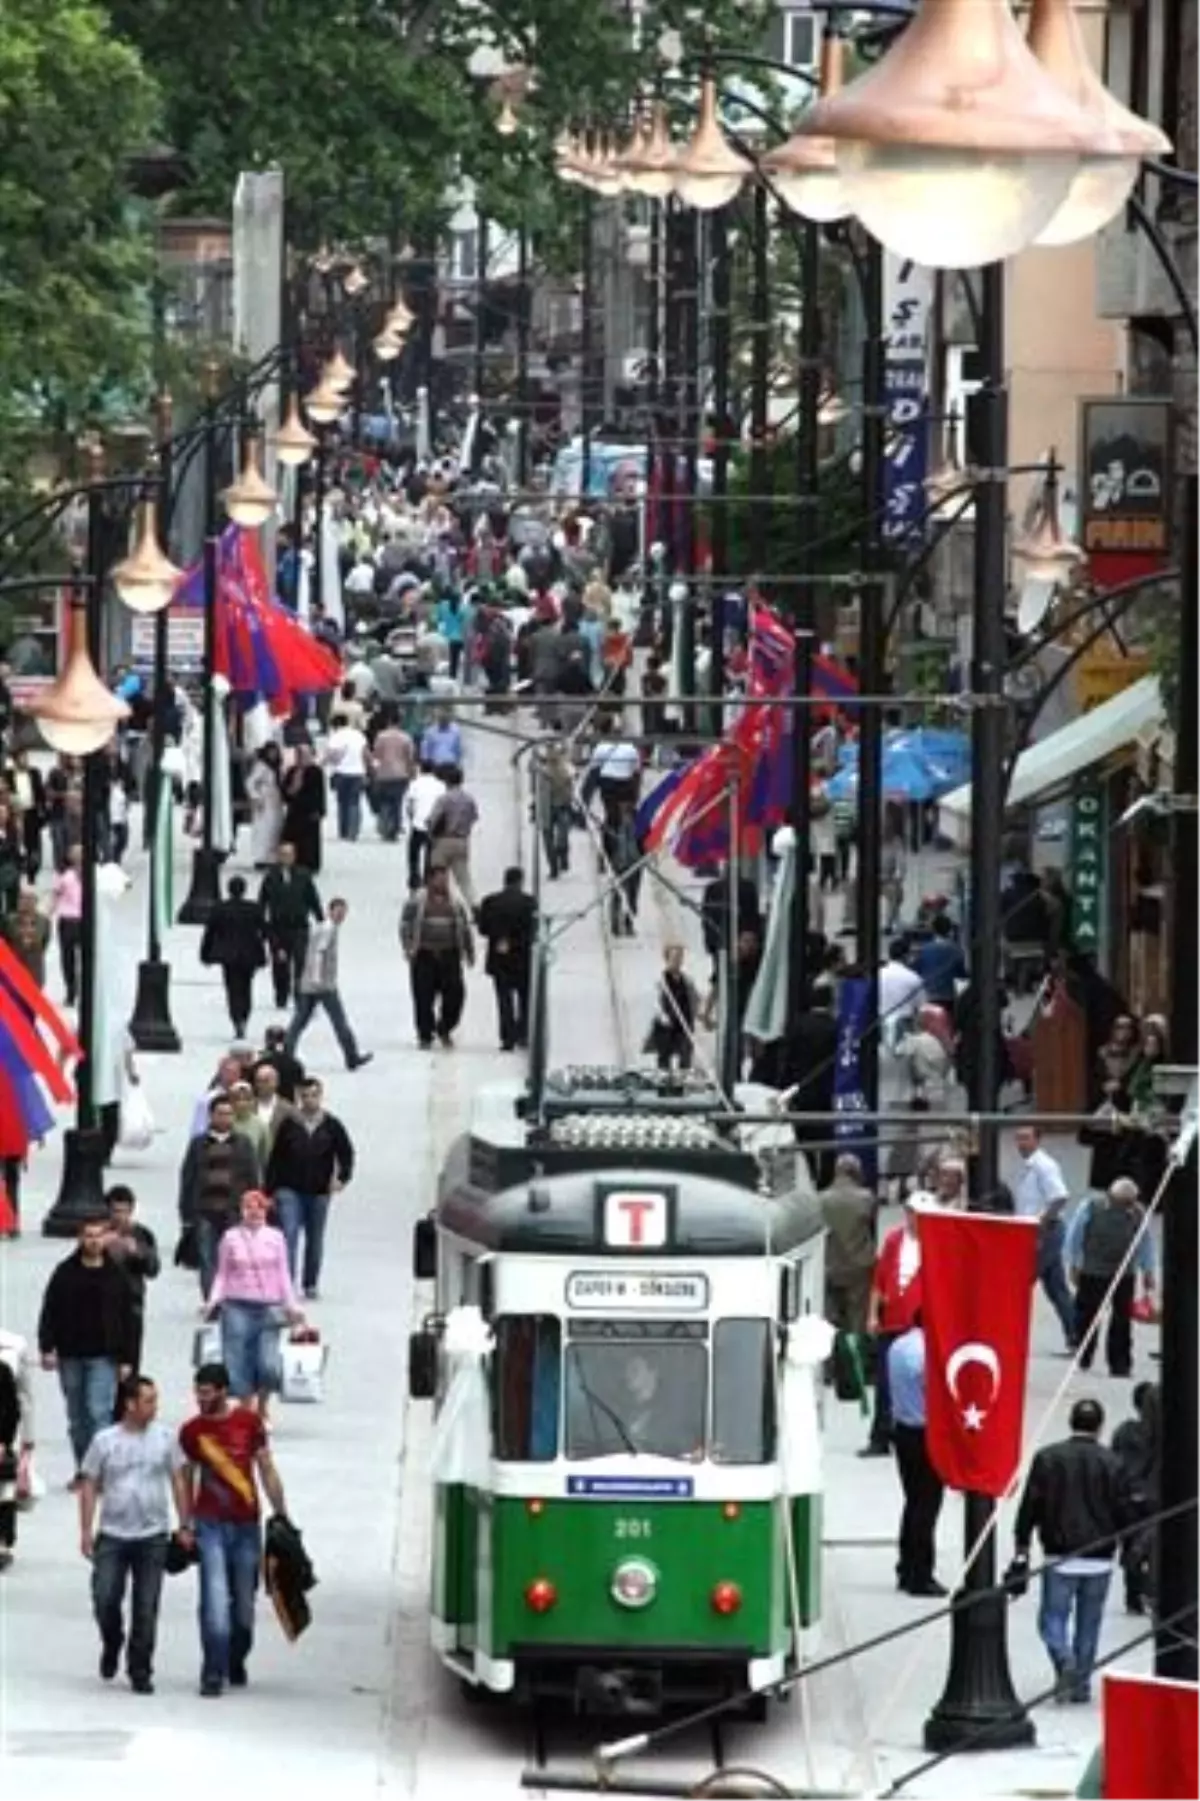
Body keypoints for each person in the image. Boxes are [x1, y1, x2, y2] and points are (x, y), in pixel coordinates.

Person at [1011, 1397, 1134, 1703]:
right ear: (1100, 1426)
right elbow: (1123, 1510)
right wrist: (1128, 1545)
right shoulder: (1113, 1462)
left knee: (1051, 1618)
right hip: (1100, 1556)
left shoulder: (1047, 1458)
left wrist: (1022, 1544)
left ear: (1071, 1422)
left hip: (1059, 1552)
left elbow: (1030, 1506)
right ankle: (1080, 1684)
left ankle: (1063, 1657)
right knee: (1089, 1624)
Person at [179, 1361, 289, 1697]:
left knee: (244, 1605)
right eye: (198, 1392)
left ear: (223, 1391)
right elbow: (186, 1477)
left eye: (207, 1393)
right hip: (209, 1524)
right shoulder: (192, 1432)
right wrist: (185, 1523)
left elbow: (266, 1467)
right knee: (214, 1598)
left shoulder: (249, 1423)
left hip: (246, 1525)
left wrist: (281, 1513)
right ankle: (212, 1669)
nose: (201, 1399)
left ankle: (236, 1656)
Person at [78, 1374, 192, 1694]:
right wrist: (86, 1529)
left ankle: (140, 1668)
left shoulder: (166, 1438)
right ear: (129, 1404)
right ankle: (112, 1639)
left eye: (155, 1400)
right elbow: (89, 1483)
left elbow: (179, 1479)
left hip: (152, 1535)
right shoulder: (105, 1441)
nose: (155, 1406)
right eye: (148, 1400)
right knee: (105, 1597)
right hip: (113, 1534)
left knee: (146, 1605)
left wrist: (185, 1524)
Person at [38, 1219, 138, 1483]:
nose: (93, 1241)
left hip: (104, 1354)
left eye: (98, 1236)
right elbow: (50, 1310)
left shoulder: (115, 1275)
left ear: (105, 1238)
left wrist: (127, 1358)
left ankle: (99, 1472)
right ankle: (83, 1468)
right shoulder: (65, 1273)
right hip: (70, 1353)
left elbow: (127, 1318)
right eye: (88, 1236)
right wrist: (47, 1347)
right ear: (80, 1239)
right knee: (76, 1416)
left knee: (98, 1412)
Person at [205, 1190, 302, 1419]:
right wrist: (213, 1300)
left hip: (269, 1306)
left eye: (259, 1207)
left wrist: (293, 1305)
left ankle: (263, 1403)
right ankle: (246, 1405)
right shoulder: (230, 1238)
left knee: (267, 1363)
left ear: (266, 1211)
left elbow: (284, 1274)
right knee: (237, 1359)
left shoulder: (276, 1237)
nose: (254, 1212)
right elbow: (222, 1273)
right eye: (248, 1207)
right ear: (241, 1211)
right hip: (237, 1304)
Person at [265, 1077, 355, 1299]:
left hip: (319, 1190)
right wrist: (270, 1190)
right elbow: (275, 1158)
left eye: (314, 1095)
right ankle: (286, 1284)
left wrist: (342, 1178)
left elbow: (346, 1153)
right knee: (289, 1235)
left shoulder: (332, 1125)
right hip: (289, 1189)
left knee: (315, 1239)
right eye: (304, 1096)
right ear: (299, 1097)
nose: (309, 1100)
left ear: (321, 1096)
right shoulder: (289, 1124)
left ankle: (310, 1282)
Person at [1066, 1176, 1156, 1378]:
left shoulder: (1138, 1212)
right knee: (1087, 1315)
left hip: (1124, 1272)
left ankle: (1120, 1364)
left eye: (1131, 1202)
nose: (1128, 1207)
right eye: (1124, 1203)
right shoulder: (1091, 1207)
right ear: (1113, 1198)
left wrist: (1148, 1270)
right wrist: (1075, 1263)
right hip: (1093, 1271)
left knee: (1122, 1319)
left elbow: (1145, 1242)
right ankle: (1083, 1355)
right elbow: (1075, 1236)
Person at [178, 1095, 262, 1300]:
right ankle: (212, 1301)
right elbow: (187, 1177)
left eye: (229, 1114)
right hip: (204, 1210)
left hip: (233, 1211)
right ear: (211, 1116)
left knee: (234, 1257)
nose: (225, 1118)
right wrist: (186, 1213)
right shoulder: (198, 1144)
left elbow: (252, 1177)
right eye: (220, 1114)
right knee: (207, 1258)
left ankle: (231, 1297)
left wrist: (254, 1209)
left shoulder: (243, 1143)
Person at [863, 1194, 925, 1457]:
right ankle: (880, 1435)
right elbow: (879, 1280)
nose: (912, 1218)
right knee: (885, 1383)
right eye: (909, 1212)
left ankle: (910, 1432)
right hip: (892, 1322)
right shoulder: (894, 1240)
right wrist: (872, 1315)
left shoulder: (935, 1243)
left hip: (919, 1325)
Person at [888, 1321, 946, 1597]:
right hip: (925, 1432)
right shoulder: (927, 1354)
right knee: (927, 1506)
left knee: (912, 1501)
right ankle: (921, 1574)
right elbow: (932, 1388)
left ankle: (905, 1566)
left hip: (903, 1429)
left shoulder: (898, 1346)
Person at [284, 897, 372, 1071]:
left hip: (310, 984)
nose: (341, 915)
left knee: (300, 1021)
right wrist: (317, 978)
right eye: (338, 911)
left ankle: (287, 1053)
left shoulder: (323, 928)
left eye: (343, 912)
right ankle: (352, 1056)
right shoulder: (328, 929)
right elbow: (319, 953)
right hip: (323, 985)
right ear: (330, 911)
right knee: (339, 1021)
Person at [1012, 1125, 1078, 1352]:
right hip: (1038, 1230)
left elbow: (1059, 1197)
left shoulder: (1044, 1166)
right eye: (1018, 1138)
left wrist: (1041, 1223)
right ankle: (1075, 1332)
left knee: (1020, 1282)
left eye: (1026, 1138)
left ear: (1037, 1140)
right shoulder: (1030, 1166)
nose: (1021, 1143)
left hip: (1044, 1231)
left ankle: (1009, 1332)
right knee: (1056, 1287)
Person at [400, 866, 476, 1049]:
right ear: (430, 880)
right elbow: (405, 925)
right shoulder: (416, 902)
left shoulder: (455, 903)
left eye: (446, 878)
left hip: (449, 955)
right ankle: (425, 1034)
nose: (444, 882)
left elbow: (464, 928)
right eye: (440, 878)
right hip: (424, 955)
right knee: (423, 997)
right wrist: (409, 946)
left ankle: (445, 1027)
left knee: (456, 995)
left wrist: (469, 951)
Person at [258, 841, 324, 1012]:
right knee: (280, 964)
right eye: (283, 854)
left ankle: (300, 996)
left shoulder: (303, 875)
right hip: (278, 927)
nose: (286, 858)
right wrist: (262, 927)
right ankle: (281, 994)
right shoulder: (271, 877)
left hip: (299, 927)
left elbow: (312, 898)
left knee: (301, 963)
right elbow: (262, 902)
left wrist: (320, 919)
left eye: (289, 854)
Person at [477, 867, 537, 1052]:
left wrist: (501, 938)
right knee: (525, 997)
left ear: (505, 881)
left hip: (499, 956)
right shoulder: (530, 902)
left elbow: (483, 929)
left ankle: (507, 1037)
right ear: (520, 881)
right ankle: (523, 1033)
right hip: (522, 956)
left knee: (504, 998)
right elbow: (533, 930)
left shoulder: (490, 901)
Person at [1112, 1381, 1159, 1614]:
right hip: (1154, 1495)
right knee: (1153, 1546)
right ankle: (1151, 1589)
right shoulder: (1162, 1434)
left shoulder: (1124, 1431)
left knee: (1132, 1544)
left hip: (1129, 1496)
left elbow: (1114, 1462)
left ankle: (1133, 1596)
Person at [101, 1186, 160, 1375]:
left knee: (130, 1362)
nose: (120, 1216)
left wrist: (137, 1253)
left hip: (132, 1304)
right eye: (115, 1211)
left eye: (124, 1211)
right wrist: (101, 1246)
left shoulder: (142, 1234)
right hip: (101, 1303)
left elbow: (153, 1269)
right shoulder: (97, 1234)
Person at [200, 875, 268, 1039]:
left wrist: (205, 954)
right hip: (249, 954)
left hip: (228, 956)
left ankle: (237, 1018)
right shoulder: (254, 909)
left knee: (232, 988)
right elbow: (265, 930)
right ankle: (244, 1015)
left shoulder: (220, 909)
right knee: (246, 987)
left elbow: (210, 933)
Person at [820, 1154, 877, 1336]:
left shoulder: (821, 1198)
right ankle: (856, 1349)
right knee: (858, 1317)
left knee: (831, 1317)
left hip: (831, 1265)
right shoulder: (866, 1198)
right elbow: (872, 1231)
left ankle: (835, 1348)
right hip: (859, 1266)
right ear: (856, 1172)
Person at [0, 1324, 35, 1570]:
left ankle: (3, 1540)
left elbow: (14, 1406)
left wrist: (7, 1441)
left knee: (3, 1487)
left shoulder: (3, 1368)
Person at [426, 765, 479, 910]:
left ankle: (445, 906)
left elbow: (433, 819)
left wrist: (431, 833)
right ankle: (474, 904)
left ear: (446, 781)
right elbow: (474, 817)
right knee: (464, 879)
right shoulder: (469, 799)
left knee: (439, 876)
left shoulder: (443, 799)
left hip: (443, 841)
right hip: (462, 841)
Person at [649, 944, 699, 1073]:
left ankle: (684, 1078)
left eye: (680, 957)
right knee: (664, 1059)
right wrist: (662, 1016)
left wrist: (698, 1013)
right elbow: (655, 1001)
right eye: (674, 957)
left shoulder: (687, 980)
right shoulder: (661, 980)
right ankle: (665, 1079)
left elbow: (695, 998)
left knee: (686, 1056)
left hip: (684, 1023)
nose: (678, 960)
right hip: (666, 1025)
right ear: (667, 959)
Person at [370, 709, 415, 842]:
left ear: (389, 721)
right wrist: (412, 773)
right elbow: (409, 757)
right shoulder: (406, 738)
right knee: (397, 803)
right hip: (400, 774)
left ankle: (384, 826)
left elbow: (376, 755)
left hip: (384, 774)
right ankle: (394, 829)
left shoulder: (381, 736)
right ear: (400, 722)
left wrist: (374, 771)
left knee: (384, 802)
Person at [324, 712, 370, 841]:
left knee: (342, 803)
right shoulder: (358, 735)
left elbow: (331, 755)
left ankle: (343, 831)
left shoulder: (336, 737)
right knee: (354, 802)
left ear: (335, 725)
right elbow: (365, 753)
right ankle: (353, 832)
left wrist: (324, 763)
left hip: (341, 772)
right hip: (358, 772)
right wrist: (368, 769)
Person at [281, 742, 326, 874]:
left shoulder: (315, 771)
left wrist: (320, 810)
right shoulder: (292, 771)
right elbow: (285, 790)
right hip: (294, 811)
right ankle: (291, 862)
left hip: (310, 812)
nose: (300, 757)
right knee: (291, 838)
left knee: (309, 841)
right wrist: (290, 791)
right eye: (298, 754)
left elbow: (319, 793)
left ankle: (309, 865)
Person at [50, 844, 84, 1006]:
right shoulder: (64, 875)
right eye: (75, 853)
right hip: (67, 920)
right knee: (67, 957)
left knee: (85, 957)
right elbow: (55, 894)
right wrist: (50, 911)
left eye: (80, 853)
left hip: (84, 920)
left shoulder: (92, 873)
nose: (78, 857)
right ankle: (71, 989)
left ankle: (83, 988)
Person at [405, 759, 446, 892]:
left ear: (421, 769)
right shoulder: (441, 785)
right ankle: (428, 880)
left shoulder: (415, 784)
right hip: (434, 825)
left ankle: (414, 879)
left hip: (418, 823)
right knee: (430, 855)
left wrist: (411, 817)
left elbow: (410, 804)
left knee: (413, 853)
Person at [246, 744, 285, 869]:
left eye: (275, 752)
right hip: (264, 803)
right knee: (262, 831)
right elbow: (250, 782)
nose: (273, 755)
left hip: (276, 802)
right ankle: (260, 858)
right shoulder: (261, 766)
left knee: (275, 830)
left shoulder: (277, 767)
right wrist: (256, 797)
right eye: (270, 752)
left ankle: (272, 858)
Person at [914, 914, 966, 1009]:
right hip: (947, 996)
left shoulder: (924, 949)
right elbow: (961, 974)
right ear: (949, 930)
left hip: (927, 995)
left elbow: (916, 970)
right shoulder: (956, 950)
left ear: (933, 930)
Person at [228, 1080, 268, 1178]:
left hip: (253, 1177)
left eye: (247, 1099)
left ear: (253, 1101)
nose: (242, 1103)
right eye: (237, 1099)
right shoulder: (225, 1122)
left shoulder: (261, 1125)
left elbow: (265, 1156)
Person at [256, 1027, 305, 1104]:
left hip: (264, 1105)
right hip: (289, 1105)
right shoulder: (295, 1064)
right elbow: (300, 1089)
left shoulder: (259, 1065)